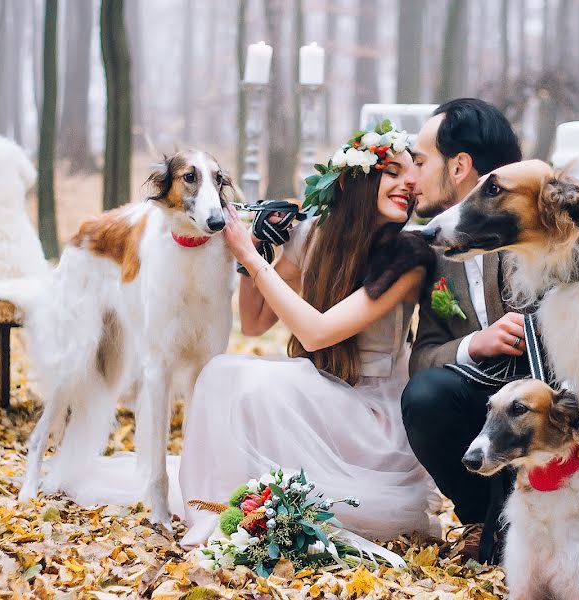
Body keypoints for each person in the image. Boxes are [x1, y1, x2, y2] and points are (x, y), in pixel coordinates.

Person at [179, 123, 439, 547]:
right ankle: (227, 511)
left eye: (411, 176)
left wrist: (246, 254)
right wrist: (259, 251)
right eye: (392, 172)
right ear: (359, 178)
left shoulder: (409, 257)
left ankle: (247, 513)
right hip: (323, 395)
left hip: (374, 419)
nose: (407, 185)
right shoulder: (315, 233)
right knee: (222, 372)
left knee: (260, 384)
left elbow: (317, 334)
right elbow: (256, 322)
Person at [400, 98, 526, 561]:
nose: (411, 177)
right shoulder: (431, 247)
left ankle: (509, 530)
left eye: (419, 161)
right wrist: (476, 342)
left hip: (546, 408)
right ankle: (478, 521)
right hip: (475, 401)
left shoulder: (525, 232)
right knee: (425, 396)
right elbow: (423, 353)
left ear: (459, 166)